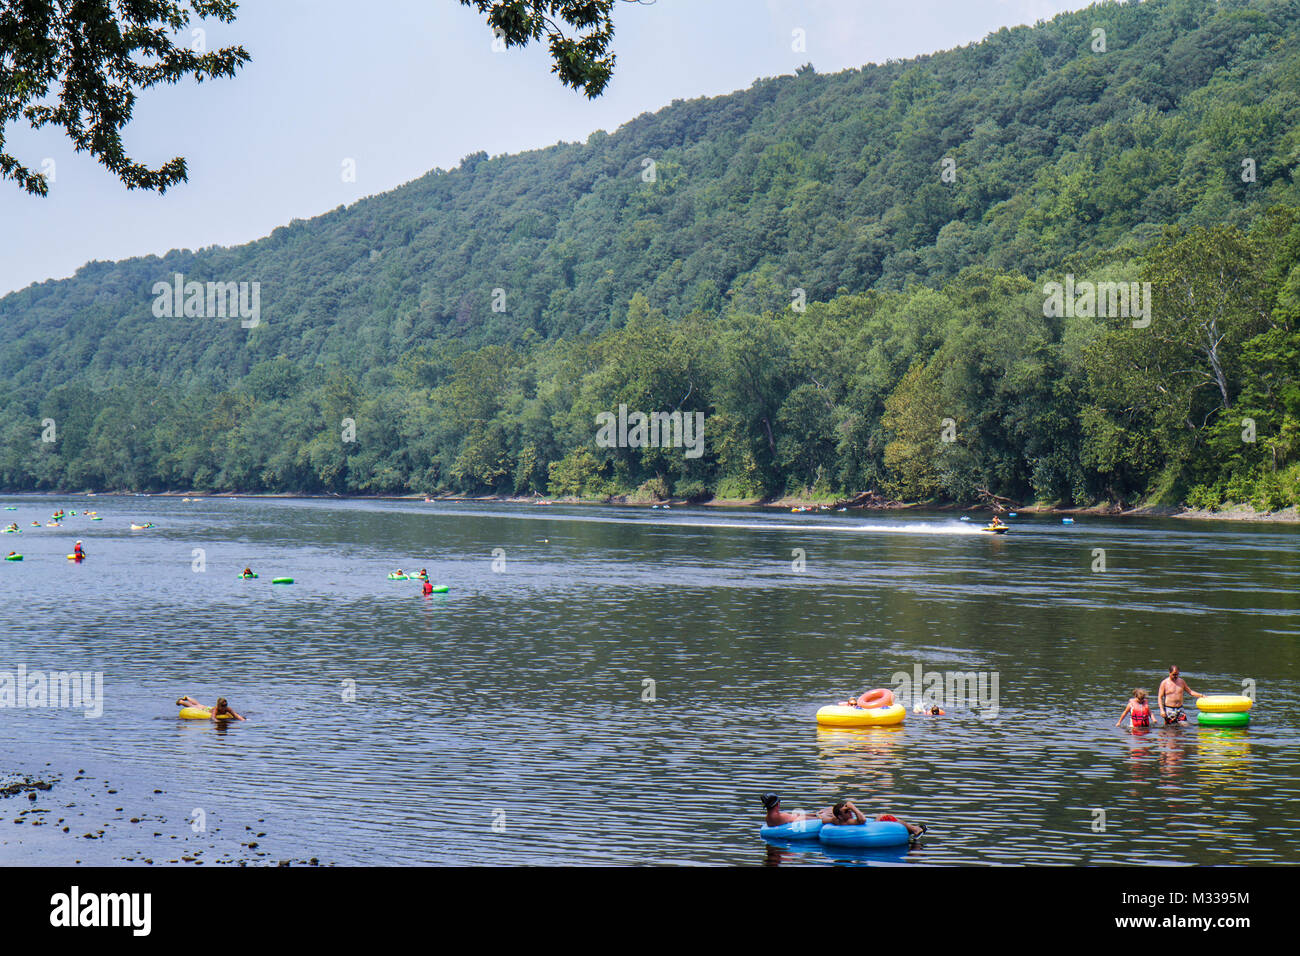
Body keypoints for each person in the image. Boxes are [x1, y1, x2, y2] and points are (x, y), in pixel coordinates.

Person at [817, 800, 927, 839]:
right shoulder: (849, 821)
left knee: (880, 815)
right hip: (870, 832)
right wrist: (853, 807)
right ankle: (914, 829)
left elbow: (823, 820)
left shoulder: (836, 820)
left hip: (869, 829)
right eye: (847, 811)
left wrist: (821, 814)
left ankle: (913, 829)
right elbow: (862, 820)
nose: (849, 812)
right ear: (840, 816)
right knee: (886, 818)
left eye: (849, 810)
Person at [176, 695, 246, 721]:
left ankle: (187, 697)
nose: (225, 707)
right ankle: (181, 701)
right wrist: (217, 721)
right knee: (194, 706)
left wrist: (243, 720)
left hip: (209, 708)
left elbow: (236, 715)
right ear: (219, 705)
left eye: (226, 705)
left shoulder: (228, 709)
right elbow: (213, 717)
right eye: (223, 706)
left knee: (198, 704)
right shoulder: (216, 709)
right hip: (205, 710)